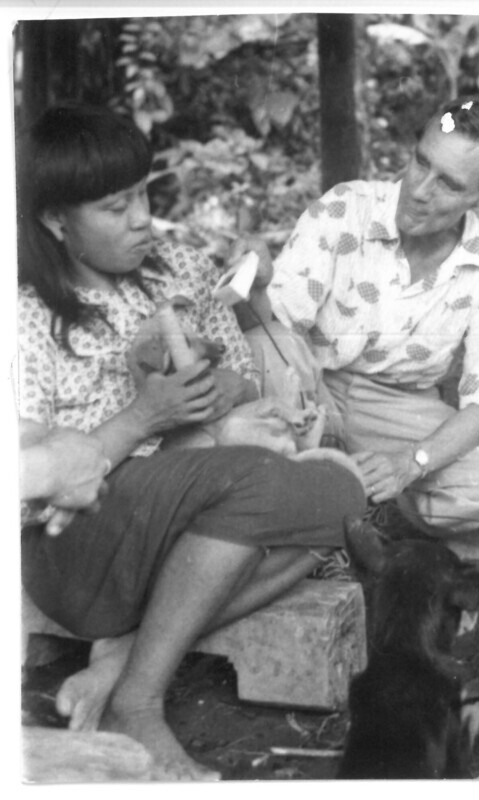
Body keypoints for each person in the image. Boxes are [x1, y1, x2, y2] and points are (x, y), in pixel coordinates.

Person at [16, 105, 365, 780]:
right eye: (115, 208)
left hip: (193, 505)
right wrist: (147, 417)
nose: (142, 218)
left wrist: (215, 389)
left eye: (144, 194)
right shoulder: (24, 313)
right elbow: (30, 492)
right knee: (272, 485)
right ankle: (140, 701)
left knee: (339, 504)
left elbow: (241, 382)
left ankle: (120, 662)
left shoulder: (179, 264)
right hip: (77, 551)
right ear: (58, 221)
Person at [267, 95, 479, 536]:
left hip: (401, 408)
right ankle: (336, 503)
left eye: (448, 184)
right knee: (271, 353)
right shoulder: (345, 208)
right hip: (312, 383)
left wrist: (412, 463)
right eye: (420, 162)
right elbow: (277, 332)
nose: (419, 189)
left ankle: (365, 509)